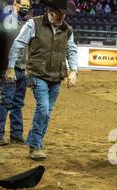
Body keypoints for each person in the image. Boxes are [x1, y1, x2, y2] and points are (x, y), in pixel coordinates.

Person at [6, 0, 78, 160]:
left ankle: (35, 140)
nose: (63, 17)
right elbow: (18, 44)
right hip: (36, 74)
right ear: (51, 11)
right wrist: (10, 67)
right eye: (60, 13)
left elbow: (72, 50)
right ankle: (35, 146)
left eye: (64, 14)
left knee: (47, 112)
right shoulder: (34, 24)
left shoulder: (67, 29)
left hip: (56, 76)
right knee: (44, 109)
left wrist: (74, 71)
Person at [0, 0, 32, 146]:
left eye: (28, 6)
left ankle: (16, 134)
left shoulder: (26, 23)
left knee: (17, 103)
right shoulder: (8, 20)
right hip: (10, 68)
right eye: (23, 4)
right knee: (6, 102)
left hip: (22, 67)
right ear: (15, 3)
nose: (26, 8)